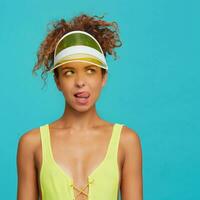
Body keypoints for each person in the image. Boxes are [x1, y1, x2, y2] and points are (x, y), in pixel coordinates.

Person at [16, 13, 143, 200]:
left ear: (103, 77)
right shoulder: (32, 144)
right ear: (57, 80)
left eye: (90, 71)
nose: (80, 82)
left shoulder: (126, 142)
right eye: (69, 72)